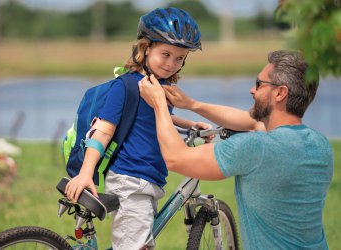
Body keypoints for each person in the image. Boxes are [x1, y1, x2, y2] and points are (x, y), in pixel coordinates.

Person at [139, 50, 333, 249]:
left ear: (280, 93)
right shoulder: (320, 145)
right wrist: (191, 105)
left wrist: (158, 105)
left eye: (259, 84)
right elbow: (253, 123)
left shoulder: (256, 148)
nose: (252, 90)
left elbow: (176, 158)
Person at [65, 7, 210, 250]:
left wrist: (190, 124)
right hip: (131, 181)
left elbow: (156, 117)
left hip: (148, 180)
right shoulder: (125, 87)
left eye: (180, 58)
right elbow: (102, 131)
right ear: (145, 48)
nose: (172, 63)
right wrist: (86, 172)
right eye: (165, 54)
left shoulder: (158, 87)